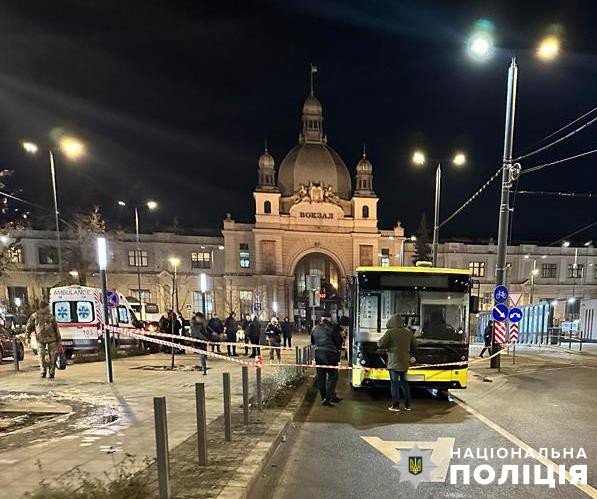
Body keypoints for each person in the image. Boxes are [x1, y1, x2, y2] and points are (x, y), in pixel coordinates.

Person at [378, 314, 416, 412]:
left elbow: (380, 343)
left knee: (394, 384)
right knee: (404, 384)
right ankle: (408, 405)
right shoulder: (409, 332)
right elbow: (415, 344)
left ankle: (395, 405)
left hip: (394, 362)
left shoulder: (390, 332)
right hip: (404, 362)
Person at [311, 312, 344, 406]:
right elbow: (339, 342)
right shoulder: (333, 328)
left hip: (318, 354)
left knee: (321, 377)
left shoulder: (315, 328)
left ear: (321, 318)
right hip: (331, 354)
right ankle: (328, 399)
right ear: (329, 318)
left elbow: (313, 341)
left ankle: (324, 397)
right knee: (333, 376)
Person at [26, 301, 61, 379]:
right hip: (40, 339)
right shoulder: (35, 316)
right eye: (47, 307)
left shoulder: (51, 317)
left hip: (52, 339)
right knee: (41, 355)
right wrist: (27, 337)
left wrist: (59, 340)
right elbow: (28, 327)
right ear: (44, 307)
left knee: (53, 356)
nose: (49, 308)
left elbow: (56, 329)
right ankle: (43, 371)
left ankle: (52, 372)